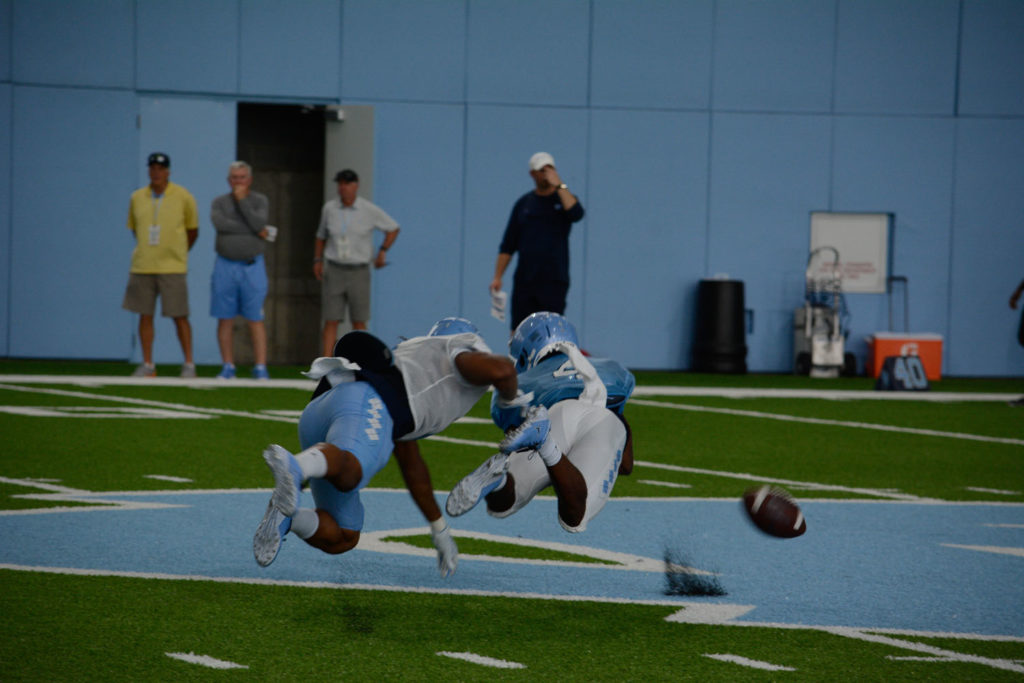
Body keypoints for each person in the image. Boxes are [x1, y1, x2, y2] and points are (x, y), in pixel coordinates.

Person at [253, 317, 531, 577]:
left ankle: (285, 516)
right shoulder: (456, 349)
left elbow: (412, 465)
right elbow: (502, 370)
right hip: (365, 402)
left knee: (344, 535)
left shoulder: (413, 370)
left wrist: (439, 529)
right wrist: (509, 404)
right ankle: (297, 467)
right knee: (352, 474)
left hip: (323, 409)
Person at [446, 312, 635, 534]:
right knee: (575, 516)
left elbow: (516, 439)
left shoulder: (525, 381)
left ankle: (497, 482)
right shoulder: (608, 367)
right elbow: (625, 465)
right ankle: (546, 443)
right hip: (603, 418)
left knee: (504, 503)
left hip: (552, 414)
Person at [122, 152, 199, 378]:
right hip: (143, 264)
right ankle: (147, 364)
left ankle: (189, 364)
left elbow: (192, 230)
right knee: (144, 314)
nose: (156, 172)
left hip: (172, 265)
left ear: (168, 171)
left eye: (160, 168)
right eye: (152, 168)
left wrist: (177, 251)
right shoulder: (137, 197)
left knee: (180, 315)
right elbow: (135, 228)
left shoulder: (183, 196)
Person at [490, 152, 585, 332]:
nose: (545, 174)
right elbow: (508, 244)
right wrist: (497, 276)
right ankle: (518, 359)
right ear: (532, 174)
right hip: (525, 280)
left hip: (554, 279)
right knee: (520, 330)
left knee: (551, 331)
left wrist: (560, 185)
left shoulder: (564, 199)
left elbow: (577, 213)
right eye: (541, 170)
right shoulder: (524, 204)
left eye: (549, 169)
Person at [313, 169, 399, 357]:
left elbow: (392, 228)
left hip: (359, 270)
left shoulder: (368, 210)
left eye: (347, 184)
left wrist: (382, 251)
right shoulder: (330, 208)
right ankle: (327, 360)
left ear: (356, 185)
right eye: (340, 184)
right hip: (335, 267)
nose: (343, 188)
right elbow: (321, 236)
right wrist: (318, 259)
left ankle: (362, 359)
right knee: (331, 318)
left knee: (359, 319)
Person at [210, 161, 272, 380]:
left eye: (242, 177)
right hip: (225, 265)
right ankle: (228, 365)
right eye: (235, 177)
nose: (238, 181)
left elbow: (259, 223)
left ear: (250, 179)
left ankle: (260, 366)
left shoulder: (259, 201)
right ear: (229, 180)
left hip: (252, 266)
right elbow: (220, 225)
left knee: (255, 317)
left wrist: (243, 201)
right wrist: (252, 229)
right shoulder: (219, 202)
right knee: (224, 317)